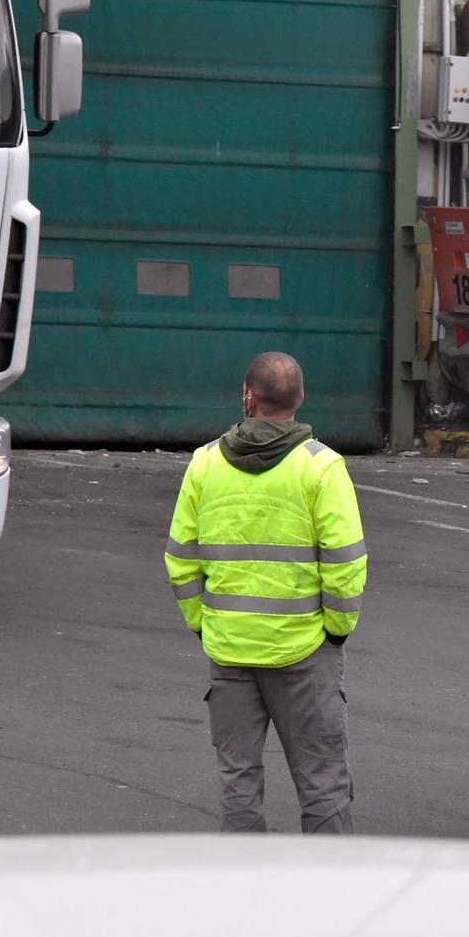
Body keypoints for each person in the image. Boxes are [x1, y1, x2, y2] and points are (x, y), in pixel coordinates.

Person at [164, 352, 367, 833]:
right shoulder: (321, 467)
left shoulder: (205, 464)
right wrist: (335, 630)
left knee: (238, 782)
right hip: (303, 650)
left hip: (229, 649)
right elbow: (346, 561)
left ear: (248, 397)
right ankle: (331, 891)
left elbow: (180, 559)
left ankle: (244, 892)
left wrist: (204, 623)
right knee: (322, 781)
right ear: (300, 398)